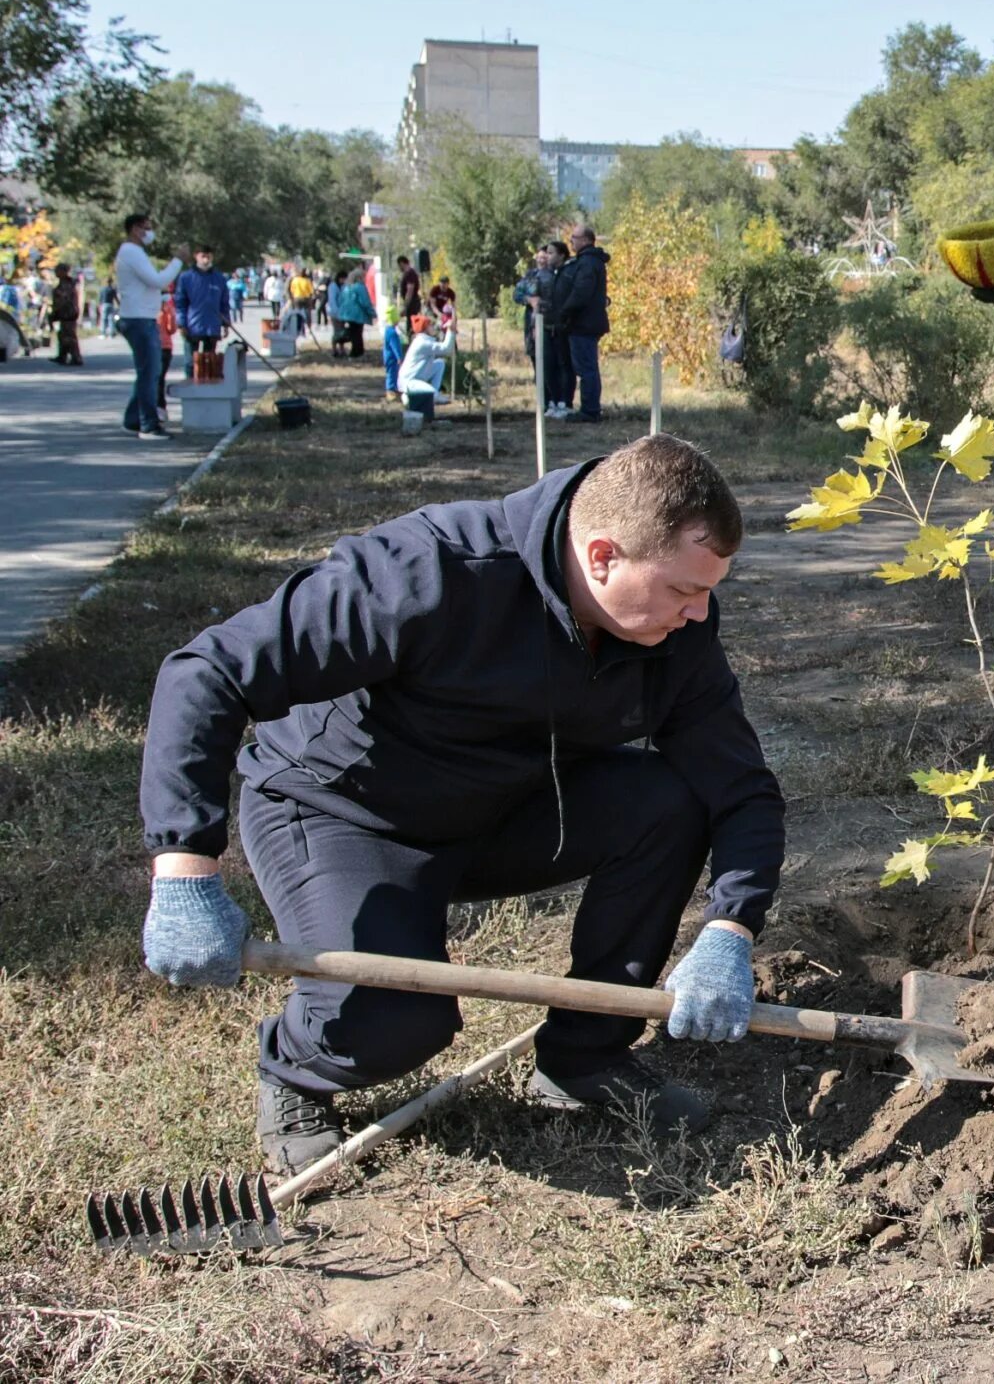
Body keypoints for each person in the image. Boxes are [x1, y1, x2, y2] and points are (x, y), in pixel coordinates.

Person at [138, 435, 784, 1173]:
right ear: (603, 556)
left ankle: (584, 1056)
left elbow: (742, 789)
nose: (701, 614)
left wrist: (731, 926)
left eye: (710, 591)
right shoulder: (430, 571)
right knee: (396, 1025)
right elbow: (207, 672)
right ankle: (295, 1067)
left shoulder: (677, 637)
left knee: (671, 802)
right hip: (343, 812)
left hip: (504, 810)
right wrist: (184, 866)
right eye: (683, 591)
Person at [114, 213, 186, 439]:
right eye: (147, 227)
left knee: (148, 371)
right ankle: (148, 425)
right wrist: (178, 260)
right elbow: (158, 281)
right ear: (135, 229)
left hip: (141, 317)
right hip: (138, 319)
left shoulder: (134, 252)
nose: (150, 232)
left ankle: (133, 419)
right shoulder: (131, 252)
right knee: (151, 373)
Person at [550, 225, 610, 422]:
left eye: (574, 238)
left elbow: (581, 292)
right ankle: (589, 407)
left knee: (586, 369)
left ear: (585, 240)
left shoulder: (588, 263)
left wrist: (565, 311)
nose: (571, 242)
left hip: (584, 324)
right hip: (586, 323)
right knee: (586, 367)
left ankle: (590, 410)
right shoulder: (590, 261)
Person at [515, 242, 573, 419]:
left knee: (560, 364)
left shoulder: (560, 274)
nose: (543, 259)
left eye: (546, 255)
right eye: (540, 256)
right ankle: (547, 401)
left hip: (555, 325)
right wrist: (529, 299)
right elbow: (517, 294)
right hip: (536, 324)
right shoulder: (532, 275)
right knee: (541, 364)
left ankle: (562, 402)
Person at [174, 247, 232, 379]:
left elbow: (224, 303)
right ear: (196, 256)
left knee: (209, 362)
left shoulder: (219, 278)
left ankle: (207, 391)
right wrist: (181, 323)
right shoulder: (186, 278)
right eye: (203, 256)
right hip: (192, 326)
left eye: (209, 256)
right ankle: (190, 388)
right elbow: (180, 302)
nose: (206, 260)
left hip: (212, 327)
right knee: (190, 363)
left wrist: (226, 323)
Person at [395, 312, 457, 402]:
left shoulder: (423, 340)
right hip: (409, 381)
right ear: (425, 328)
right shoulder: (423, 343)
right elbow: (446, 349)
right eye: (430, 325)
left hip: (416, 377)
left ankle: (435, 392)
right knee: (431, 394)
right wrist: (450, 330)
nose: (432, 327)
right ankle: (408, 396)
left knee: (440, 363)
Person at [331, 268, 374, 359]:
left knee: (354, 334)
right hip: (357, 314)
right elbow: (365, 301)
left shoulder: (347, 287)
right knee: (358, 334)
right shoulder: (360, 287)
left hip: (347, 315)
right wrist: (372, 313)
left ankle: (356, 352)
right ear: (360, 277)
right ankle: (357, 353)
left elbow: (341, 300)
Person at [49, 262, 83, 365]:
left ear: (64, 272)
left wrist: (55, 313)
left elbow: (63, 300)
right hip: (64, 313)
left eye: (58, 270)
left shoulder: (66, 284)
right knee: (63, 335)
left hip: (68, 313)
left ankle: (76, 357)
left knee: (69, 336)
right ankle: (62, 356)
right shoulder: (64, 283)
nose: (56, 273)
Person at [287, 269, 316, 338]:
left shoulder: (295, 280)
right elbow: (311, 291)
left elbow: (291, 290)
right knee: (307, 314)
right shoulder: (307, 280)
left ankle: (299, 329)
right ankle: (308, 328)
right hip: (306, 299)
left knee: (298, 314)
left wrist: (292, 298)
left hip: (297, 298)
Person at [397, 257, 422, 326]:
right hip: (412, 303)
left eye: (399, 266)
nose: (399, 268)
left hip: (412, 304)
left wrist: (406, 306)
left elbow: (410, 291)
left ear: (402, 263)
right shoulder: (410, 273)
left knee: (411, 326)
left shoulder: (409, 273)